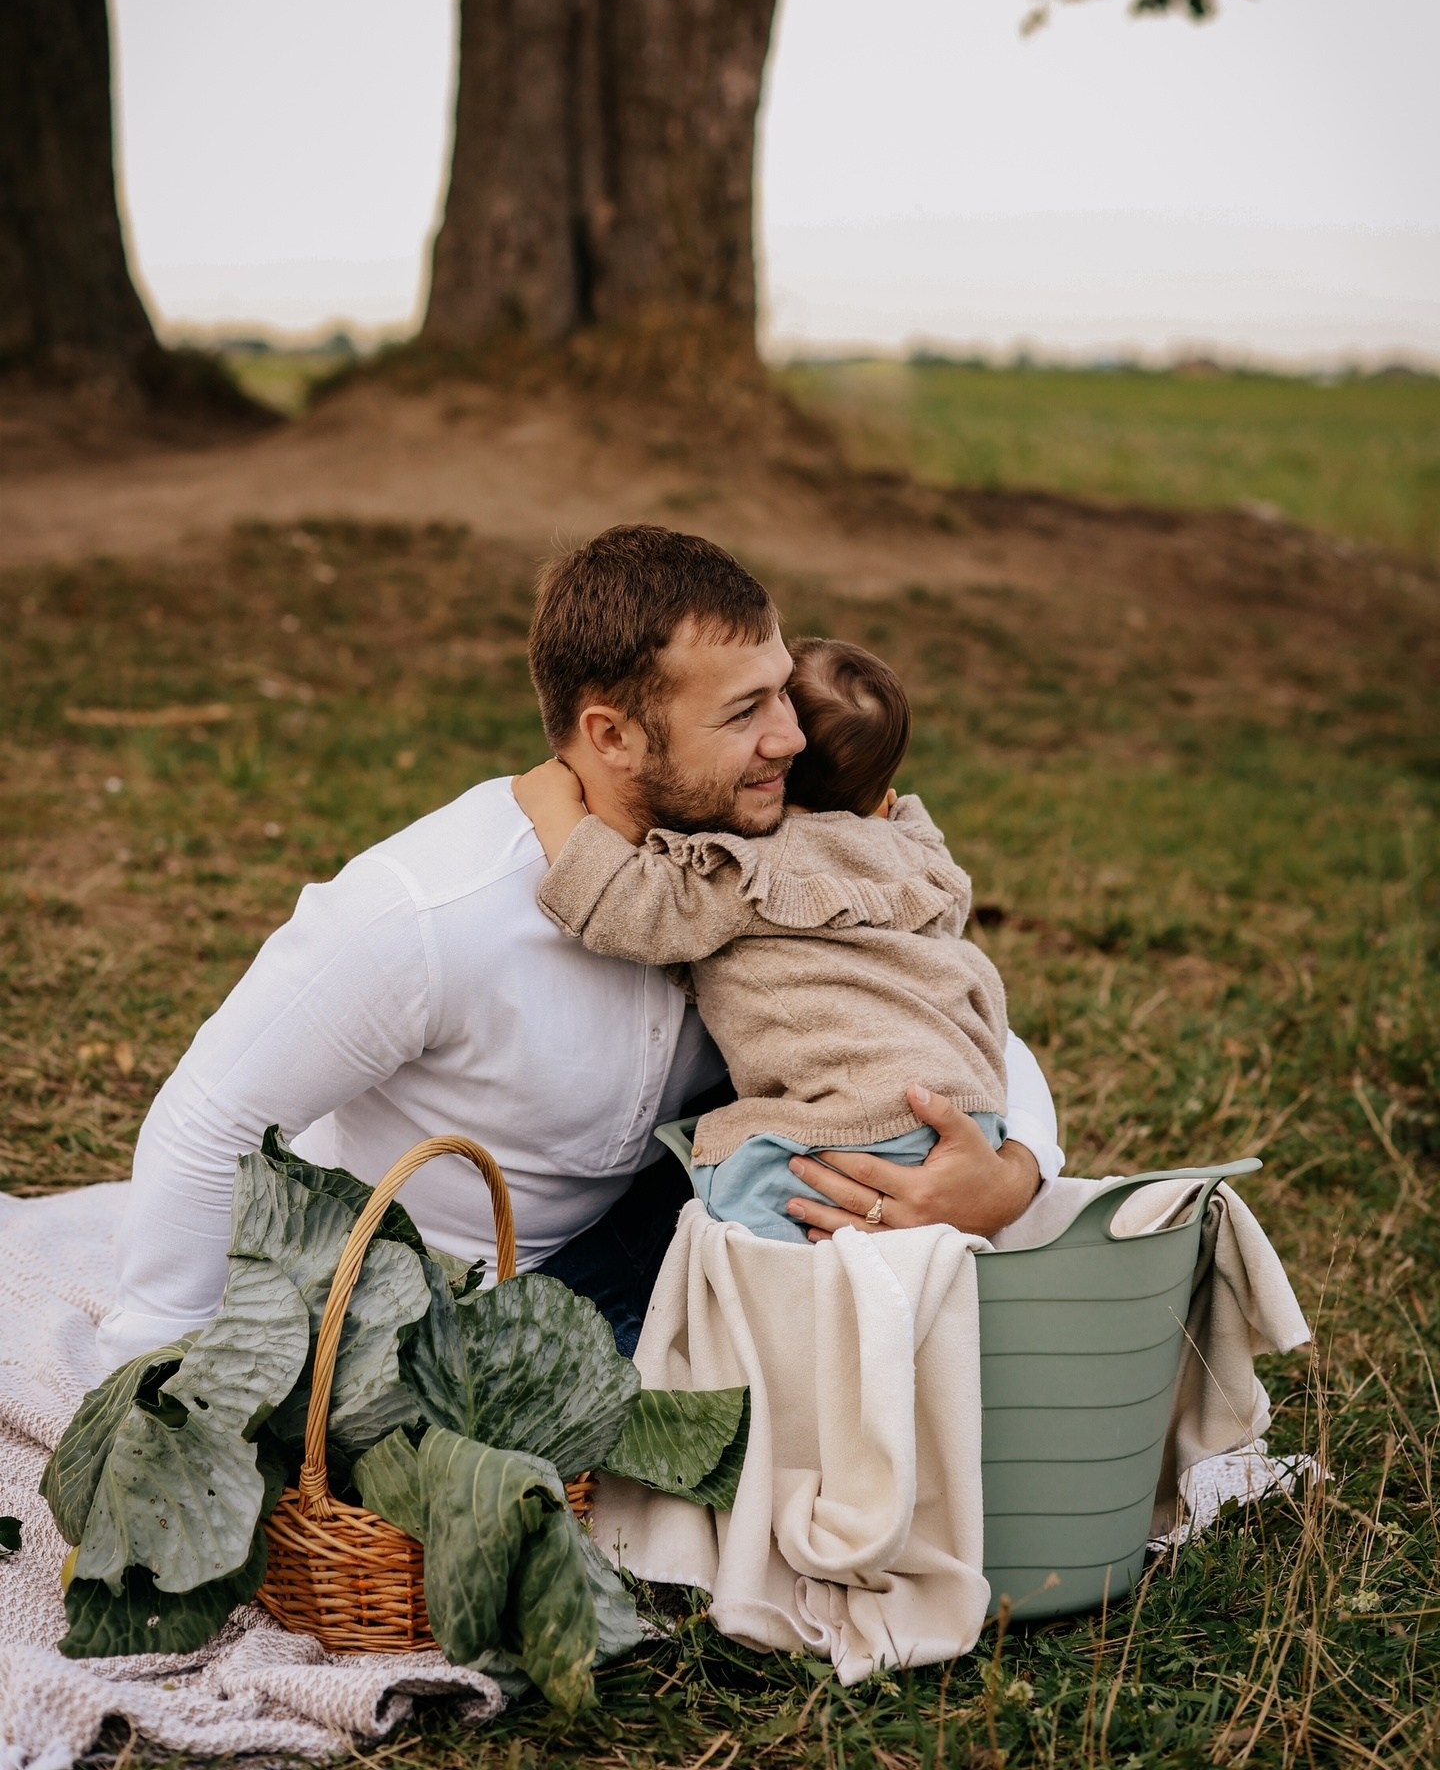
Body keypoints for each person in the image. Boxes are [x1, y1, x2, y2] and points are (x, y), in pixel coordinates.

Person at [98, 526, 1062, 1366]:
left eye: (784, 695)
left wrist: (1009, 1176)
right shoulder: (430, 911)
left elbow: (934, 1005)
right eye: (744, 713)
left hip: (657, 1234)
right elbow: (208, 1121)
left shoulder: (770, 858)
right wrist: (157, 1394)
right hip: (432, 1308)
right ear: (613, 736)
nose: (792, 741)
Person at [516, 637, 1012, 1243]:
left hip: (853, 1129)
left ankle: (762, 1323)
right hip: (974, 1123)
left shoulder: (747, 870)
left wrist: (552, 805)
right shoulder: (919, 856)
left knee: (726, 1199)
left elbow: (625, 903)